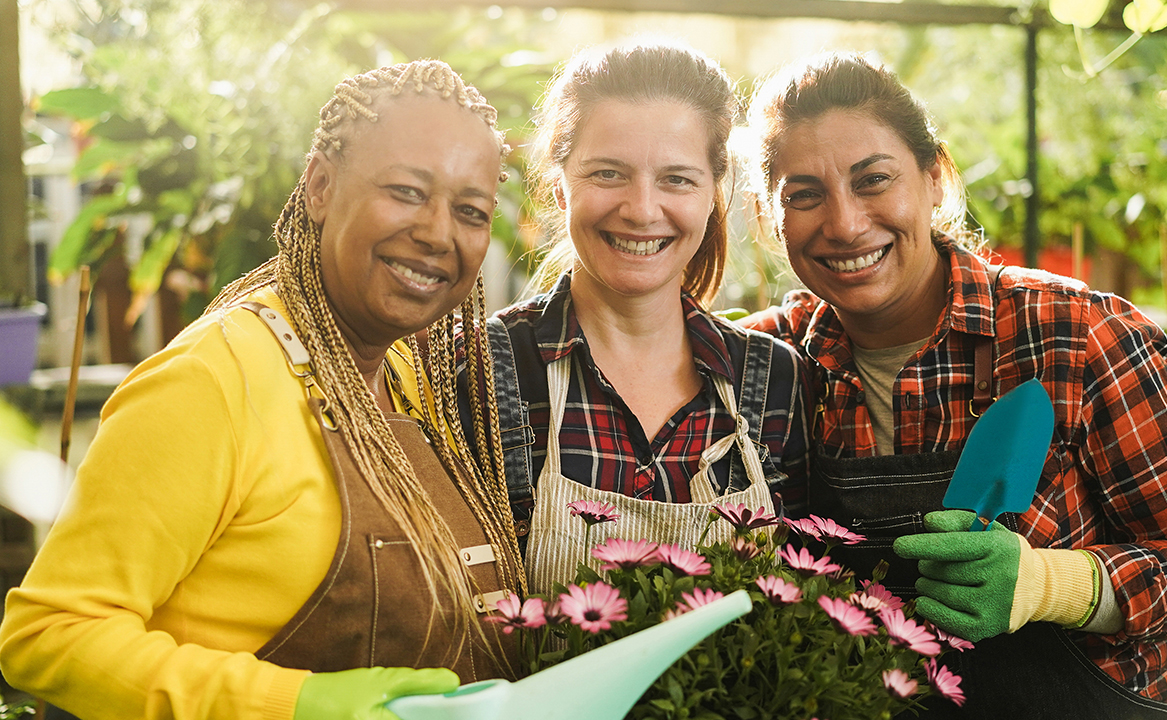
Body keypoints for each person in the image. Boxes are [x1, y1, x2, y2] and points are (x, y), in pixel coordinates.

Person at [0, 59, 526, 720]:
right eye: (406, 190)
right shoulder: (211, 381)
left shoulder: (409, 382)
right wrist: (296, 702)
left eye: (471, 210)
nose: (437, 232)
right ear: (320, 186)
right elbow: (47, 636)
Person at [740, 52, 1167, 718]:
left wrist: (1053, 584)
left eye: (874, 179)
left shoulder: (1076, 336)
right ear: (767, 215)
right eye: (804, 195)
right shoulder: (767, 364)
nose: (844, 223)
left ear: (934, 177)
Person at [473, 41, 809, 594]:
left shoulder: (774, 379)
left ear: (712, 194)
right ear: (559, 185)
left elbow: (804, 596)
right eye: (607, 173)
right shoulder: (485, 369)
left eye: (677, 179)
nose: (641, 209)